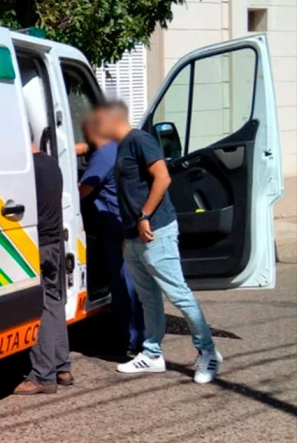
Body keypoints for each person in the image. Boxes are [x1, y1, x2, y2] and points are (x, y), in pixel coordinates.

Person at [95, 101, 222, 384]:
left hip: (155, 230)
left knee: (178, 294)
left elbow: (162, 179)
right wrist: (129, 234)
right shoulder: (121, 146)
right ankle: (152, 354)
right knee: (147, 297)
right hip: (134, 236)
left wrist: (144, 216)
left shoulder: (140, 140)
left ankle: (208, 351)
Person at [78, 114, 145, 356]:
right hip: (122, 223)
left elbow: (82, 191)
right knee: (131, 283)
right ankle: (134, 338)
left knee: (123, 285)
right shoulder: (114, 148)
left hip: (114, 227)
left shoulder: (102, 155)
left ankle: (131, 343)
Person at [15, 133, 73, 394]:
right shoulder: (51, 164)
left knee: (38, 309)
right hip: (55, 243)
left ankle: (42, 375)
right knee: (54, 302)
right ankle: (63, 368)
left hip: (36, 245)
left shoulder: (26, 170)